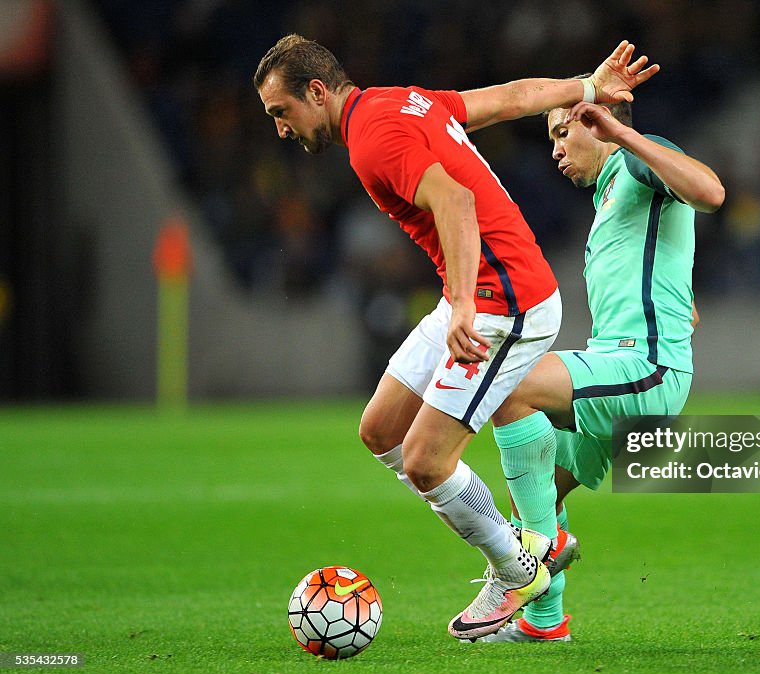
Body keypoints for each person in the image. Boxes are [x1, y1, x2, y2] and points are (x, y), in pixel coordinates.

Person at [253, 36, 659, 640]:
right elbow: (507, 99)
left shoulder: (373, 140)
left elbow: (456, 200)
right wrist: (587, 88)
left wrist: (466, 303)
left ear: (316, 92)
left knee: (424, 460)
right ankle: (528, 544)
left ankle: (519, 566)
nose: (281, 130)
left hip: (507, 301)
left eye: (280, 113)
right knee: (381, 430)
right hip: (474, 292)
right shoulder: (397, 103)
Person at [474, 91, 724, 642]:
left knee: (510, 386)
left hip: (646, 368)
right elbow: (685, 305)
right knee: (536, 488)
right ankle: (544, 624)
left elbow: (711, 192)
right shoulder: (611, 198)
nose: (556, 151)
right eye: (551, 141)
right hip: (619, 362)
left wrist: (622, 134)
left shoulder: (638, 158)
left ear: (598, 125)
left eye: (564, 133)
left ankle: (537, 554)